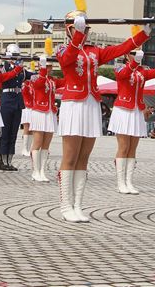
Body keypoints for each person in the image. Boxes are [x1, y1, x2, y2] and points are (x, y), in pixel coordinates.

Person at [56, 12, 149, 222]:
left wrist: (142, 34)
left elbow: (120, 49)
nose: (85, 33)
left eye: (86, 29)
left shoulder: (94, 51)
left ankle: (78, 205)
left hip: (91, 104)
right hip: (73, 105)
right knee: (70, 157)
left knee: (83, 157)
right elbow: (68, 59)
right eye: (80, 29)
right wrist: (77, 35)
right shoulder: (63, 49)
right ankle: (65, 206)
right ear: (69, 30)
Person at [108, 51, 155, 194]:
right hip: (123, 109)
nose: (138, 57)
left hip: (137, 110)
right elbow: (123, 75)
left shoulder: (142, 71)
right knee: (123, 147)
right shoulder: (119, 68)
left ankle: (129, 181)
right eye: (133, 54)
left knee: (132, 148)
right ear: (126, 56)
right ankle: (120, 182)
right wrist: (134, 62)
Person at [29, 55, 64, 182]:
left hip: (50, 113)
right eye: (46, 66)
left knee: (46, 145)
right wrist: (42, 68)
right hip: (39, 112)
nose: (49, 68)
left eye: (50, 66)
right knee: (37, 142)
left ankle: (42, 170)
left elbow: (67, 80)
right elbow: (39, 83)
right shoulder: (35, 77)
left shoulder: (52, 80)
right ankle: (35, 171)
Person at [0, 44, 32, 171]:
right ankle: (2, 160)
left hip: (17, 101)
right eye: (14, 56)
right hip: (7, 100)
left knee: (13, 132)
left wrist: (43, 67)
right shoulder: (4, 68)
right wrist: (17, 69)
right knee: (5, 132)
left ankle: (9, 160)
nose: (15, 59)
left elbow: (32, 75)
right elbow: (3, 78)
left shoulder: (21, 70)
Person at [20, 71, 35, 157]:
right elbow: (24, 94)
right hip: (26, 107)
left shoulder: (32, 84)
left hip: (33, 107)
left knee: (31, 129)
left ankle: (28, 148)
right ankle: (24, 148)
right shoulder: (24, 84)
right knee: (27, 128)